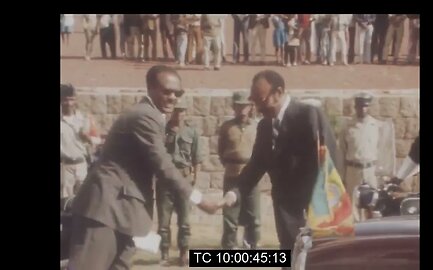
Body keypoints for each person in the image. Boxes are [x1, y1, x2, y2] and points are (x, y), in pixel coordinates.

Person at [68, 65, 219, 270]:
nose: (173, 97)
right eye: (167, 91)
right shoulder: (145, 116)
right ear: (150, 88)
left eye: (178, 93)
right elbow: (162, 164)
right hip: (107, 209)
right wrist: (198, 199)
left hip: (125, 212)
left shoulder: (152, 116)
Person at [220, 70, 338, 267]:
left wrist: (320, 210)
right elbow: (255, 166)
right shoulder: (264, 127)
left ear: (278, 92)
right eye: (254, 101)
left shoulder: (307, 115)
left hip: (314, 213)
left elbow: (329, 163)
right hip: (285, 216)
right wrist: (234, 193)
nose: (256, 107)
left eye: (260, 100)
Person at [157, 98, 204, 266]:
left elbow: (197, 157)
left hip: (184, 179)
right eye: (176, 110)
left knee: (184, 221)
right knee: (164, 221)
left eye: (182, 110)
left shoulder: (191, 132)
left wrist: (195, 178)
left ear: (186, 112)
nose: (179, 114)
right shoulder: (162, 130)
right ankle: (164, 253)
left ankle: (184, 252)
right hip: (165, 180)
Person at [338, 92, 395, 222]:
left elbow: (382, 150)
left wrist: (384, 173)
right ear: (355, 107)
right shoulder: (347, 126)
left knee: (373, 205)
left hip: (371, 171)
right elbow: (341, 151)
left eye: (365, 106)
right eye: (359, 106)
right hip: (353, 170)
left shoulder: (377, 126)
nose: (362, 109)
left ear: (368, 107)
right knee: (353, 206)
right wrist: (341, 176)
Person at [218, 91, 261, 250]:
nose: (242, 110)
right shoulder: (227, 127)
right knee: (230, 214)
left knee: (254, 215)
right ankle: (229, 247)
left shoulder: (256, 127)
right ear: (234, 107)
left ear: (250, 107)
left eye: (245, 106)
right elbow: (221, 150)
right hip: (232, 174)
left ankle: (252, 245)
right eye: (239, 106)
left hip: (251, 175)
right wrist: (230, 163)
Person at [60, 84, 99, 199]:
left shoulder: (85, 118)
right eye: (65, 100)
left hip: (82, 165)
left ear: (75, 100)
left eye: (71, 99)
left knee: (84, 200)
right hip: (64, 166)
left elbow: (97, 139)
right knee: (65, 201)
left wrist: (88, 138)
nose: (69, 103)